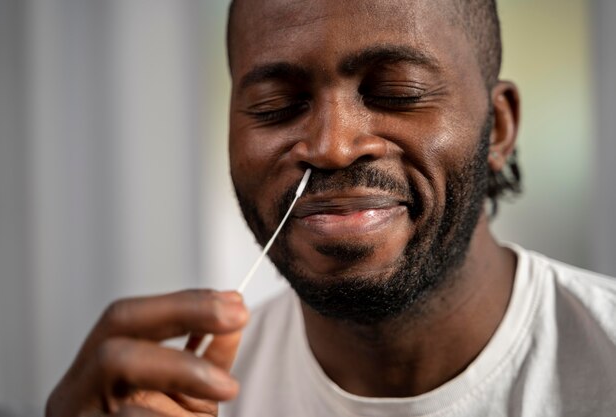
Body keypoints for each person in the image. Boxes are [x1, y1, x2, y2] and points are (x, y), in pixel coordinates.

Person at [46, 0, 616, 416]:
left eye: (398, 93)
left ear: (501, 128)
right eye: (276, 106)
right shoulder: (180, 397)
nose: (332, 145)